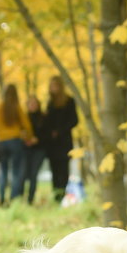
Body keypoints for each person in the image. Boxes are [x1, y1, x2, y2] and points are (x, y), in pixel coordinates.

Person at [0, 84, 34, 206]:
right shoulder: (17, 108)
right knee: (16, 171)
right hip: (15, 141)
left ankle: (2, 199)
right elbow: (27, 125)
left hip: (1, 143)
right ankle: (13, 199)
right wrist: (29, 137)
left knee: (3, 171)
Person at [42, 75, 80, 203]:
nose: (53, 88)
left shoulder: (69, 101)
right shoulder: (49, 103)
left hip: (64, 142)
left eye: (55, 85)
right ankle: (56, 196)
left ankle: (63, 195)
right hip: (52, 144)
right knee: (54, 170)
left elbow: (74, 120)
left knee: (64, 170)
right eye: (51, 86)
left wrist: (60, 131)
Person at [23, 95, 49, 204]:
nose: (32, 106)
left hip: (39, 149)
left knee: (34, 173)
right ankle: (20, 198)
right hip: (26, 149)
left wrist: (37, 140)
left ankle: (30, 199)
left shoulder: (44, 118)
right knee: (25, 173)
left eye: (34, 103)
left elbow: (47, 135)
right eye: (30, 103)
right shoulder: (24, 118)